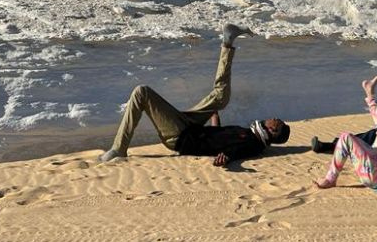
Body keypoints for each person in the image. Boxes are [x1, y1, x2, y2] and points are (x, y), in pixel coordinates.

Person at [98, 23, 290, 166]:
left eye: (277, 122)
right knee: (221, 97)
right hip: (193, 127)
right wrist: (214, 116)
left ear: (272, 132)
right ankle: (228, 42)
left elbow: (235, 150)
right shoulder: (249, 133)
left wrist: (226, 158)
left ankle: (119, 149)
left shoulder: (252, 144)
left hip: (181, 136)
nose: (274, 118)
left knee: (142, 92)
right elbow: (219, 137)